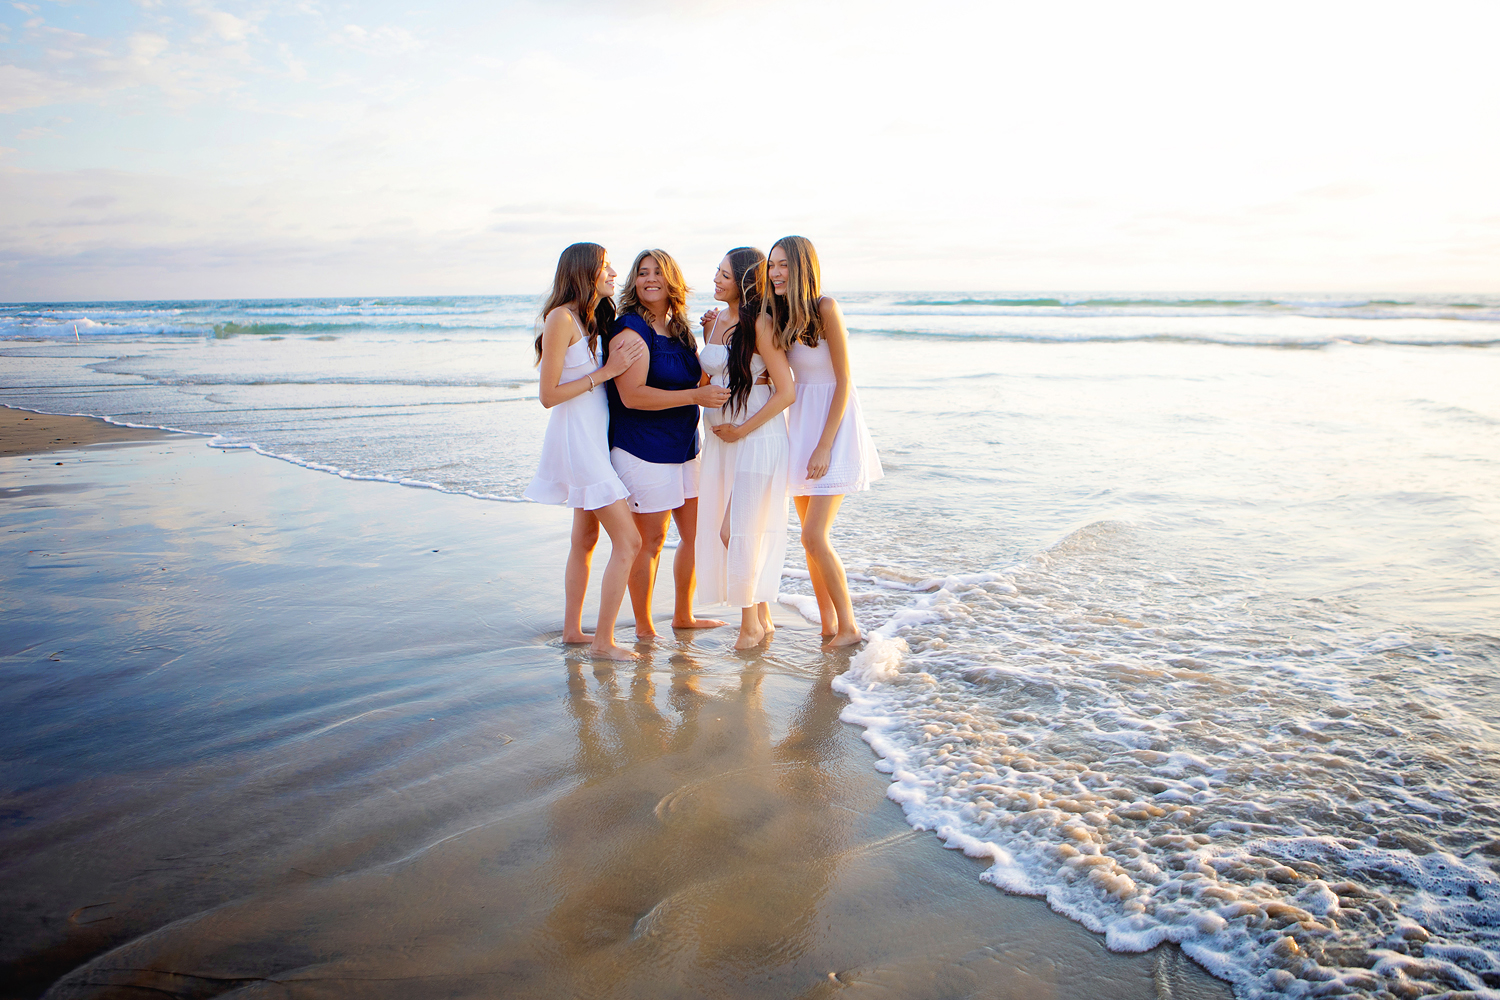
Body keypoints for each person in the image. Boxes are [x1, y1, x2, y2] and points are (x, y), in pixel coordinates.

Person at [523, 242, 646, 661]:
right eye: (606, 267)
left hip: (593, 440)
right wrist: (605, 372)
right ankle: (603, 642)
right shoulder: (560, 318)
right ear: (584, 272)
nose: (614, 274)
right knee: (629, 540)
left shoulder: (590, 319)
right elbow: (548, 395)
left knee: (585, 539)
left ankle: (574, 630)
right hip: (577, 443)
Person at [604, 249, 730, 639]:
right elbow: (633, 396)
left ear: (671, 280)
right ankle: (644, 628)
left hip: (684, 447)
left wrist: (714, 336)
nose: (649, 279)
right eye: (642, 273)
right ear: (634, 283)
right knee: (651, 540)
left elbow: (697, 383)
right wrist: (694, 398)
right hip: (642, 448)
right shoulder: (630, 329)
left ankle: (683, 616)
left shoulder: (679, 330)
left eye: (658, 272)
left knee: (695, 536)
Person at [767, 235, 882, 647]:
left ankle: (849, 627)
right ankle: (828, 626)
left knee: (813, 536)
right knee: (809, 538)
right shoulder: (779, 315)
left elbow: (844, 380)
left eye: (783, 265)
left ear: (801, 268)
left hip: (832, 427)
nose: (776, 273)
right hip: (799, 423)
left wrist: (824, 445)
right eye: (772, 266)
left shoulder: (826, 309)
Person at [696, 247, 795, 649]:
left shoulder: (761, 323)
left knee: (734, 531)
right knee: (738, 530)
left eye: (723, 275)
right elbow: (717, 369)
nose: (715, 280)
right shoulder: (717, 318)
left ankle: (749, 626)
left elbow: (785, 391)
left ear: (743, 281)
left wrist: (742, 430)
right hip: (725, 442)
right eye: (715, 272)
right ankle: (763, 618)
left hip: (758, 436)